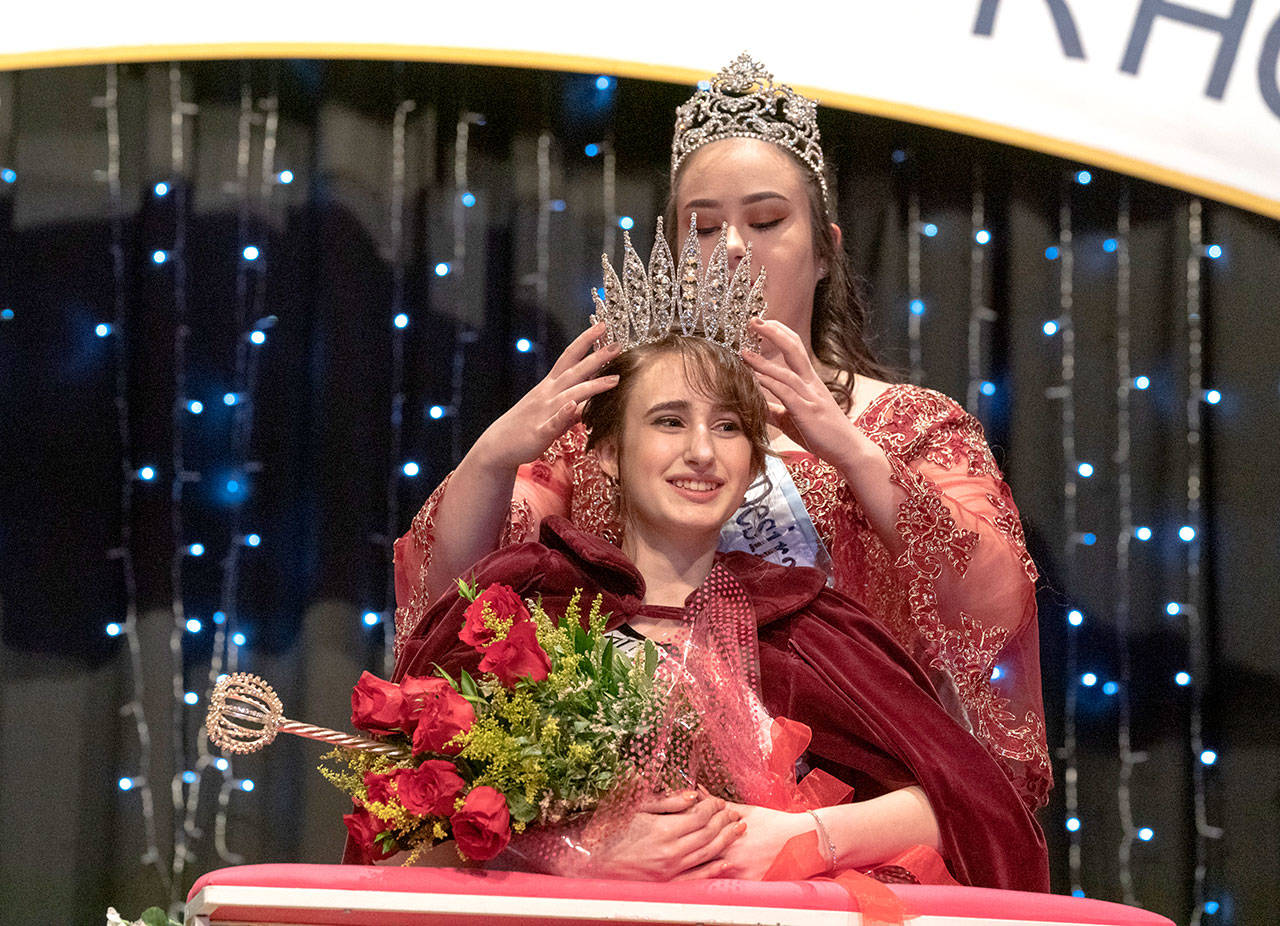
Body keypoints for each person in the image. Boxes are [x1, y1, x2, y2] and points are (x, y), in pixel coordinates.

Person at [394, 53, 1049, 812]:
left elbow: (996, 608)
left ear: (827, 246)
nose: (735, 248)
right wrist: (491, 456)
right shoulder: (599, 423)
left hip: (844, 806)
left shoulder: (907, 427)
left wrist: (845, 446)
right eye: (704, 227)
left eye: (768, 221)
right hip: (628, 807)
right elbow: (455, 600)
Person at [393, 328, 1048, 890]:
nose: (703, 452)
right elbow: (402, 838)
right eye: (670, 420)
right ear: (610, 454)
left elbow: (975, 807)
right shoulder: (528, 612)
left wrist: (804, 835)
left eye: (729, 426)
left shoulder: (809, 628)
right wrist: (571, 853)